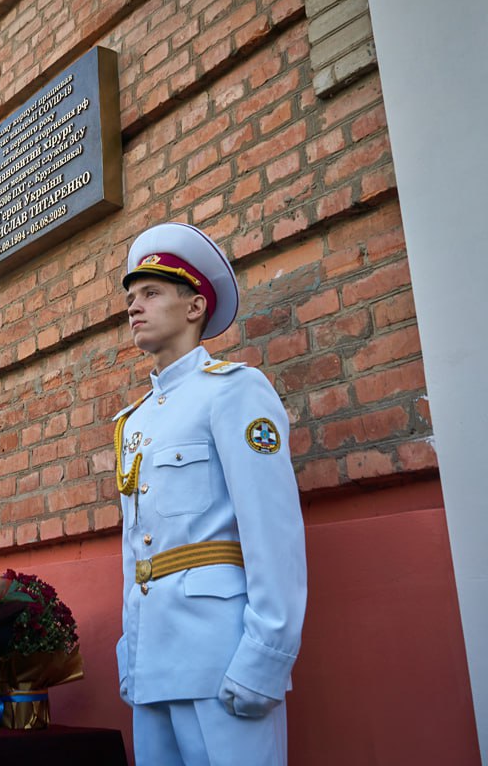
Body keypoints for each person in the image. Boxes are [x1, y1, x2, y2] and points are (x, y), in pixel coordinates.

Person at [113, 222, 307, 766]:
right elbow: (136, 550)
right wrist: (131, 651)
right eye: (131, 298)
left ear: (195, 306)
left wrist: (266, 657)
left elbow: (273, 532)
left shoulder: (235, 390)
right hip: (154, 656)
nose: (134, 307)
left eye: (151, 293)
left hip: (222, 655)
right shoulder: (135, 422)